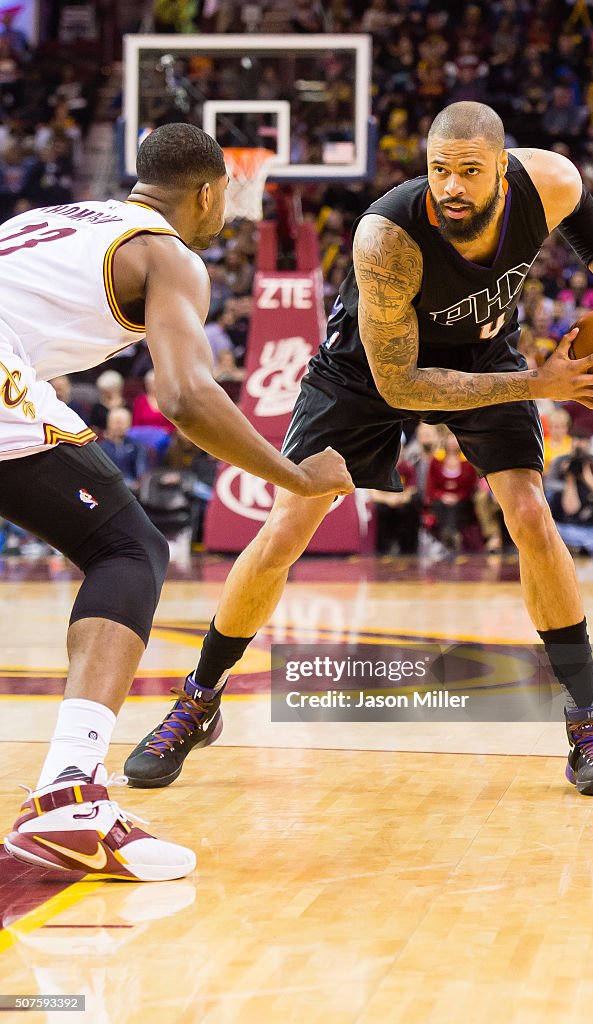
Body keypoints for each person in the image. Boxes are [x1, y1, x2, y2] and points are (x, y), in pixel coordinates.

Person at [125, 102, 593, 798]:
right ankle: (199, 699)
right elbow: (402, 384)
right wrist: (541, 383)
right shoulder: (387, 237)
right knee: (291, 523)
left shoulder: (549, 182)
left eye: (469, 171)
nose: (451, 185)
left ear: (502, 171)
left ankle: (585, 720)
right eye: (438, 169)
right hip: (370, 369)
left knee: (530, 515)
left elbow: (584, 216)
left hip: (484, 350)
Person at [0, 123, 352, 881]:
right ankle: (69, 794)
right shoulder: (168, 254)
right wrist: (295, 479)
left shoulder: (55, 218)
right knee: (127, 547)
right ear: (208, 189)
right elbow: (187, 397)